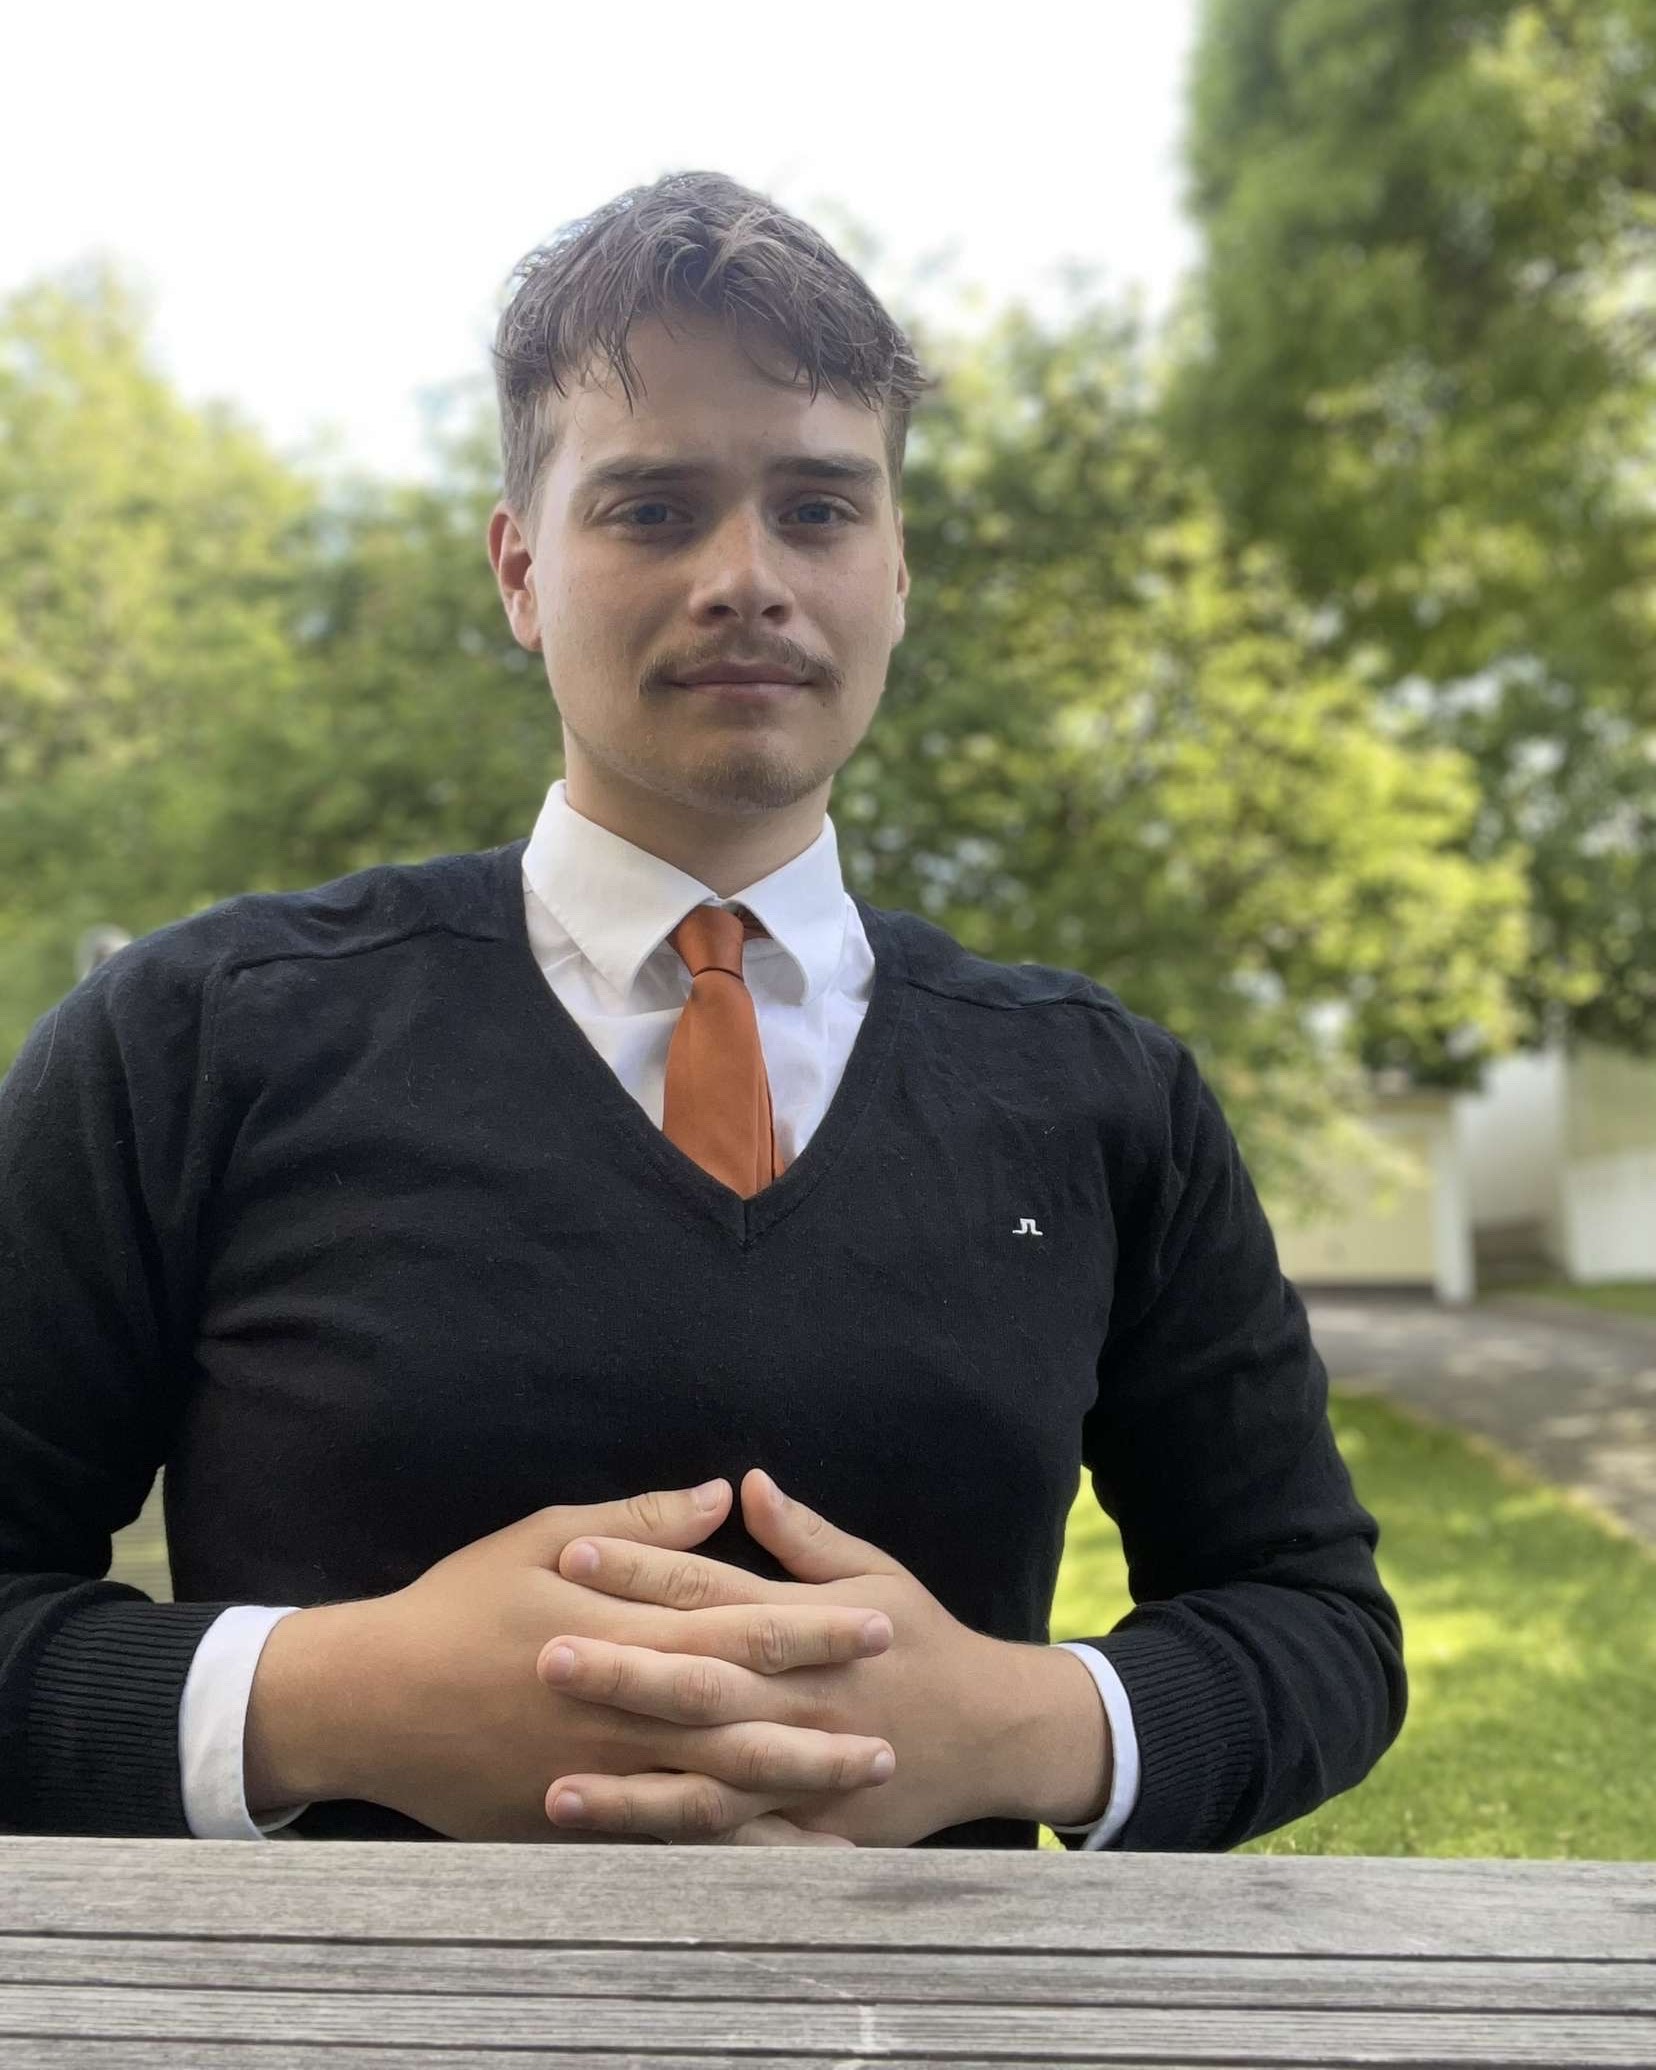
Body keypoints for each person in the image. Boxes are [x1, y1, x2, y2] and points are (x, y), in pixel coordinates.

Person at [0, 169, 1406, 1852]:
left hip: (932, 2001)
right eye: (654, 509)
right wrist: (343, 1700)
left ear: (898, 569)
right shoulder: (192, 1041)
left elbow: (1316, 1622)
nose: (747, 574)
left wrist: (1008, 1726)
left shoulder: (1103, 1096)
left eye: (819, 508)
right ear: (521, 570)